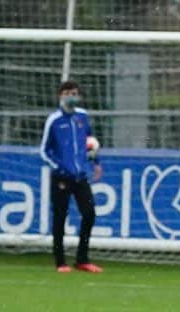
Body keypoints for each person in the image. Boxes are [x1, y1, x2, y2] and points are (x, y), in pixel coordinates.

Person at [39, 80, 103, 273]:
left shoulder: (83, 116)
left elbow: (90, 141)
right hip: (61, 176)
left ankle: (82, 259)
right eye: (67, 93)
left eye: (74, 93)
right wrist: (58, 166)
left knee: (89, 214)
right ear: (61, 96)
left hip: (80, 175)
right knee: (60, 217)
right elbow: (44, 150)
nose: (71, 96)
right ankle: (60, 262)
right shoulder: (54, 120)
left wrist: (95, 162)